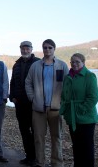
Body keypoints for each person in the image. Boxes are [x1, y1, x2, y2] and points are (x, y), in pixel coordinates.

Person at [25, 39, 69, 167]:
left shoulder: (62, 65)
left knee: (57, 137)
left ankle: (57, 163)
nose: (47, 50)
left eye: (50, 47)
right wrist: (33, 98)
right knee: (38, 137)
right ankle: (40, 162)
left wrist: (63, 100)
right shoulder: (36, 66)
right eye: (45, 47)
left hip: (56, 108)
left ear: (54, 49)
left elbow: (67, 85)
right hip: (38, 108)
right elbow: (28, 83)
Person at [60, 53, 98, 167]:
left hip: (86, 118)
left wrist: (80, 109)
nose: (74, 64)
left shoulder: (89, 76)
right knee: (76, 146)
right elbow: (64, 95)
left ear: (83, 62)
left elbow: (93, 98)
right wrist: (65, 109)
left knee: (86, 148)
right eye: (72, 62)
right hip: (72, 118)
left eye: (77, 61)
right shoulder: (68, 77)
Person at [9, 41, 40, 166]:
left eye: (27, 48)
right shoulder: (17, 64)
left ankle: (37, 157)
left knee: (35, 131)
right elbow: (13, 81)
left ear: (31, 49)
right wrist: (12, 96)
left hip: (33, 104)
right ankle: (29, 156)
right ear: (20, 49)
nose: (25, 50)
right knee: (24, 131)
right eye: (23, 48)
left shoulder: (37, 62)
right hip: (20, 103)